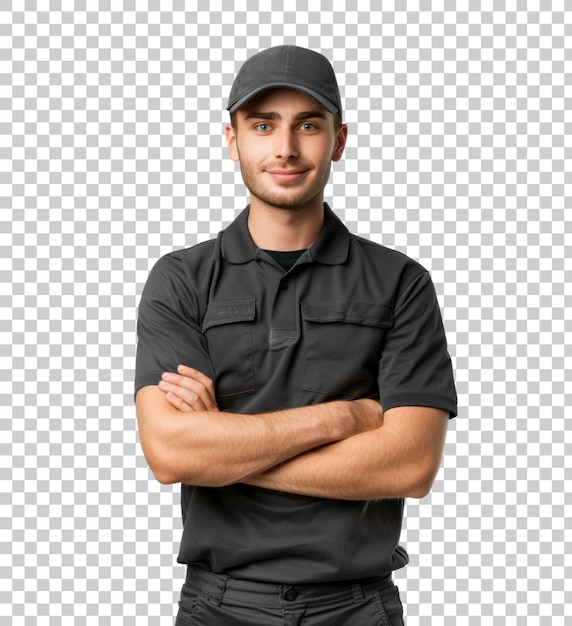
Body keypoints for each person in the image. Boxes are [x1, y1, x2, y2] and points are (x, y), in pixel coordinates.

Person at [135, 45, 457, 626]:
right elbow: (169, 452)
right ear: (233, 140)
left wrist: (221, 452)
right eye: (263, 126)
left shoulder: (401, 282)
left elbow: (409, 466)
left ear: (338, 139)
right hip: (218, 606)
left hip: (357, 606)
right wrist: (346, 420)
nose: (285, 148)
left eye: (308, 125)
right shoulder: (181, 278)